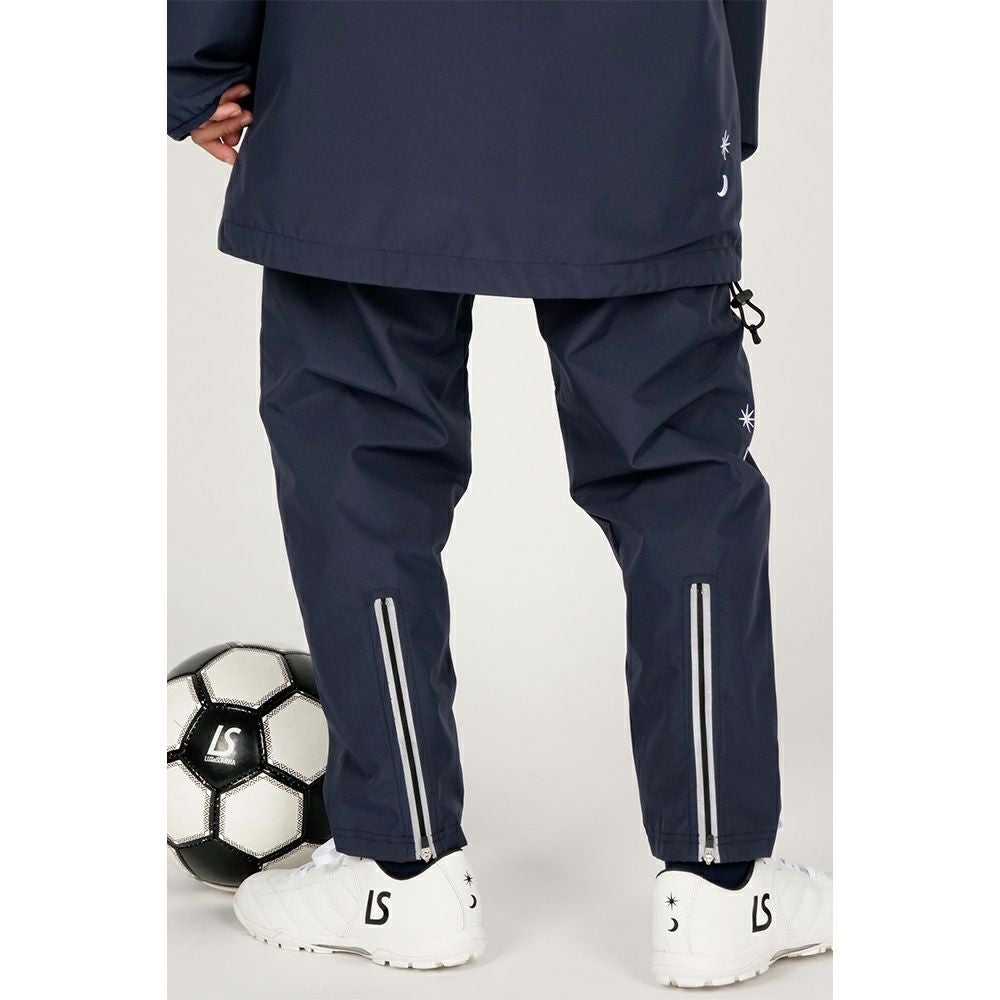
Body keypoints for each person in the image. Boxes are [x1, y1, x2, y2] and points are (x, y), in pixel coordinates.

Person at [167, 0, 831, 987]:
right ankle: (722, 880)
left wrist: (196, 63)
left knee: (359, 468)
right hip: (638, 71)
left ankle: (403, 868)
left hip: (362, 72)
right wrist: (716, 89)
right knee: (680, 478)